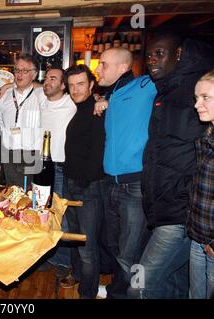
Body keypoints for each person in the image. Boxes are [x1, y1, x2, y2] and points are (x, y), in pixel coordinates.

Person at [128, 34, 213, 299]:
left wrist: (185, 199)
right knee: (174, 285)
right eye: (149, 55)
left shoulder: (196, 89)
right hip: (163, 206)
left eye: (160, 53)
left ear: (178, 54)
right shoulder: (166, 90)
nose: (152, 60)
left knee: (139, 285)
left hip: (181, 212)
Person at [94, 47, 156, 299]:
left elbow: (180, 76)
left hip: (134, 185)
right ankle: (119, 289)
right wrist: (103, 100)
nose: (98, 69)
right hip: (111, 183)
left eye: (103, 64)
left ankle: (125, 294)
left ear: (122, 67)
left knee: (129, 251)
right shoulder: (113, 93)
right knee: (113, 244)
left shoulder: (144, 85)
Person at [58, 64, 105, 298]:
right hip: (70, 182)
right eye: (72, 85)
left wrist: (104, 99)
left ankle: (87, 292)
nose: (76, 89)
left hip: (88, 187)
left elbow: (98, 153)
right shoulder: (77, 108)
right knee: (75, 238)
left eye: (81, 84)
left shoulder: (98, 110)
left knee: (87, 245)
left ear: (91, 85)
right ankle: (76, 275)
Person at [37, 67, 76, 281]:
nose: (47, 82)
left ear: (63, 85)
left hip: (61, 168)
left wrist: (101, 99)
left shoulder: (72, 103)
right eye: (46, 78)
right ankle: (47, 256)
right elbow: (26, 85)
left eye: (53, 79)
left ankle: (64, 261)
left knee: (62, 216)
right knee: (43, 213)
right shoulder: (42, 99)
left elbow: (91, 97)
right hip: (42, 165)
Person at [0, 53, 45, 187]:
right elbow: (0, 120)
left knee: (28, 196)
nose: (19, 74)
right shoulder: (5, 96)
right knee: (11, 193)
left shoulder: (42, 95)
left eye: (24, 71)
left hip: (32, 154)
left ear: (34, 75)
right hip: (9, 153)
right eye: (17, 70)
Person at [188, 70, 214, 299]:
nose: (197, 105)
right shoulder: (207, 135)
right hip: (198, 236)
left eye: (205, 97)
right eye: (196, 98)